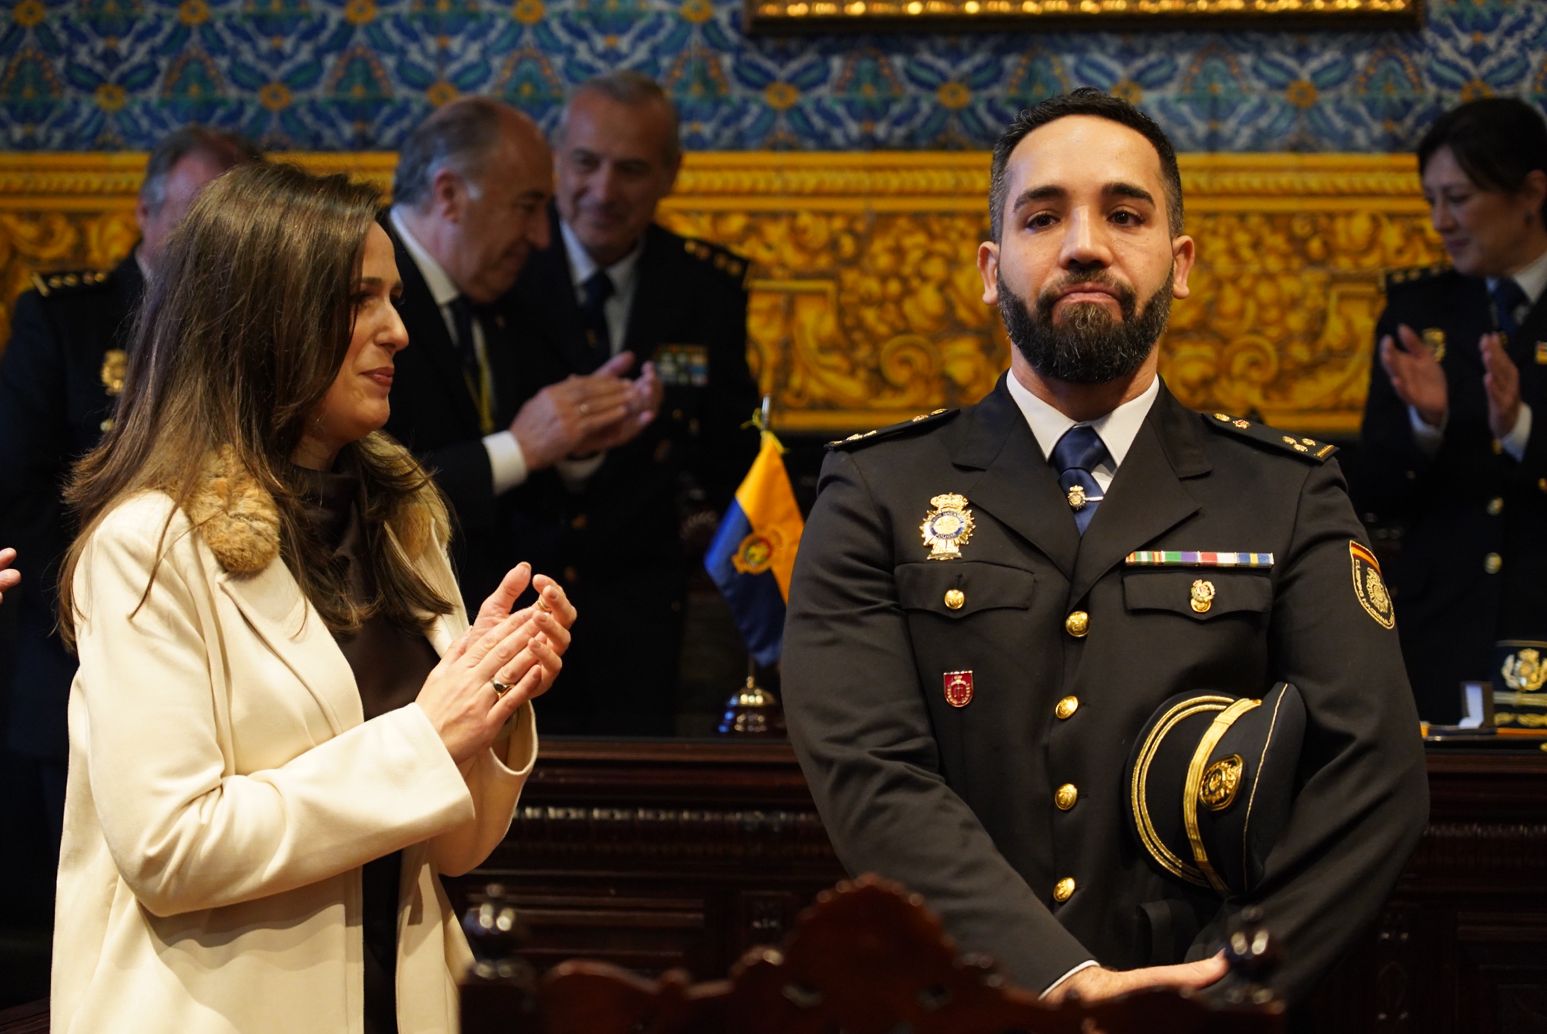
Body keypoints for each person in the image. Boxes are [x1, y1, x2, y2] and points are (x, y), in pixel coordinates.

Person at [782, 89, 1429, 1009]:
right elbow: (873, 778)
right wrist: (1063, 985)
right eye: (1042, 216)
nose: (1084, 243)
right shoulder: (875, 491)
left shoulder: (1285, 493)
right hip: (956, 1014)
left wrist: (1210, 992)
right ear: (988, 264)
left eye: (1124, 214)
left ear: (1179, 260)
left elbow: (1374, 775)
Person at [50, 162, 576, 1033]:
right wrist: (426, 734)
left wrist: (492, 698)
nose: (398, 331)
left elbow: (452, 848)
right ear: (263, 318)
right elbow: (170, 848)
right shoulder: (150, 541)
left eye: (396, 297)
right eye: (360, 299)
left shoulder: (400, 520)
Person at [0, 124, 258, 934]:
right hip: (68, 653)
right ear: (146, 214)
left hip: (221, 675)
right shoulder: (65, 317)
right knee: (67, 928)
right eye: (195, 214)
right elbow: (22, 490)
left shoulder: (252, 335)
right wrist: (101, 611)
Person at [505, 71, 760, 735]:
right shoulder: (504, 272)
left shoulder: (704, 290)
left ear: (671, 173)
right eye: (585, 164)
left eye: (632, 170)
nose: (603, 192)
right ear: (555, 158)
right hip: (507, 599)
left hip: (639, 609)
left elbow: (731, 449)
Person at [383, 97, 657, 614]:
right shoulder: (356, 287)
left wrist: (575, 440)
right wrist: (521, 448)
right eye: (528, 207)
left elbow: (524, 496)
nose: (541, 236)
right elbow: (361, 489)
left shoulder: (505, 295)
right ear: (449, 195)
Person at [1357, 97, 1547, 724]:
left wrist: (1519, 428)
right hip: (1441, 636)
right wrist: (1426, 426)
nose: (1441, 221)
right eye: (1431, 200)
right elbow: (1376, 493)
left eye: (1459, 199)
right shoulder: (1418, 315)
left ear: (1530, 194)